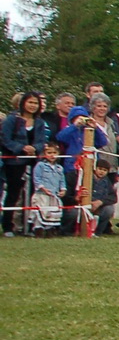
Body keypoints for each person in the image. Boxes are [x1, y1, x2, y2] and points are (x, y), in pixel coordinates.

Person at [2, 91, 51, 235]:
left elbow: (42, 141)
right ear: (23, 103)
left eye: (35, 103)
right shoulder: (12, 120)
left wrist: (35, 148)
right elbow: (5, 139)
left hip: (34, 162)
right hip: (14, 162)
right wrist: (21, 148)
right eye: (30, 102)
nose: (32, 106)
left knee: (33, 195)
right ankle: (8, 226)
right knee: (13, 194)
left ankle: (30, 227)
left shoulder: (40, 122)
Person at [28, 139, 67, 235]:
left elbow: (62, 180)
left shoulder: (59, 168)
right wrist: (43, 188)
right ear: (44, 153)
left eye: (54, 152)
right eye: (49, 153)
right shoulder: (40, 165)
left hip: (54, 195)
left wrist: (63, 189)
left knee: (52, 213)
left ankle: (50, 230)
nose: (52, 155)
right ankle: (38, 230)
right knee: (41, 212)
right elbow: (37, 178)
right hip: (42, 194)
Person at [89, 160, 118, 235]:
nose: (102, 172)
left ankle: (99, 231)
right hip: (87, 204)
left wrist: (101, 202)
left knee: (109, 209)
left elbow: (113, 197)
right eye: (100, 169)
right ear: (95, 168)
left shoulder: (106, 181)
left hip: (100, 206)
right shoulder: (88, 178)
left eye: (105, 170)